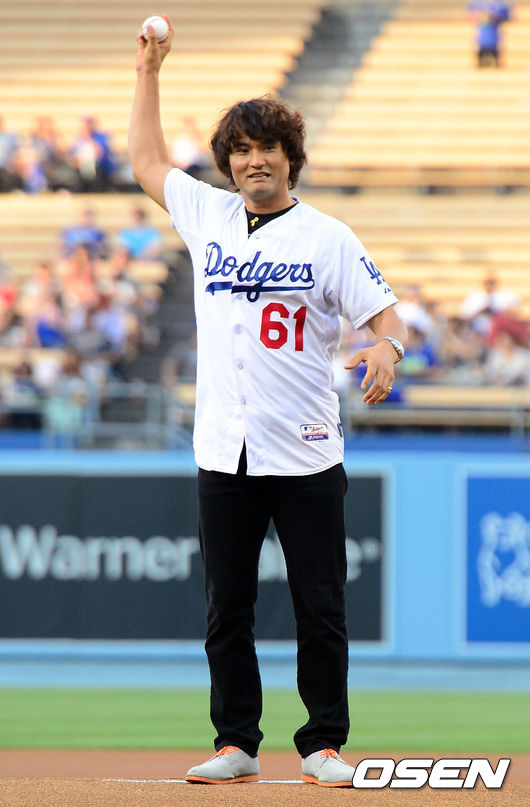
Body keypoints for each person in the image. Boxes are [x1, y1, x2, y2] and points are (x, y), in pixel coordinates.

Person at [129, 16, 408, 788]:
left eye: (268, 148)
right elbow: (146, 160)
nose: (255, 160)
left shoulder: (328, 236)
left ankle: (323, 743)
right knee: (228, 607)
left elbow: (389, 319)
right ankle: (237, 741)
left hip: (307, 446)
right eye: (242, 150)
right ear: (228, 161)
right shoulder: (207, 214)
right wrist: (149, 71)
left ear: (291, 157)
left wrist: (385, 349)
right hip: (225, 446)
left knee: (321, 605)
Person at [467, 2, 512, 67]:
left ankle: (496, 60)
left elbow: (508, 17)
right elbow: (469, 15)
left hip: (494, 34)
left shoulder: (500, 4)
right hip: (483, 34)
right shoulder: (477, 3)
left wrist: (494, 17)